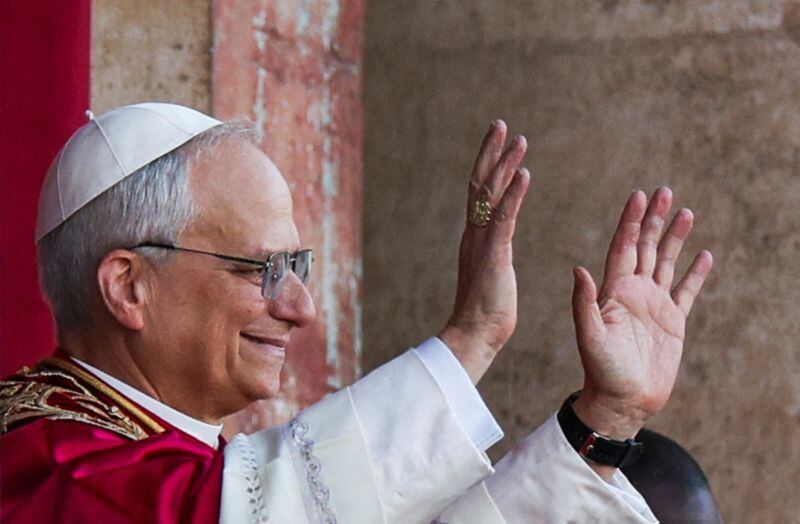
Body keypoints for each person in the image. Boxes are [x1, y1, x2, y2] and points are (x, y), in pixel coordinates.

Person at [0, 103, 713, 523]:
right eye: (264, 269)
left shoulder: (160, 447)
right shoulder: (45, 469)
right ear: (129, 287)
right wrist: (468, 340)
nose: (300, 307)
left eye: (298, 266)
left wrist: (606, 419)